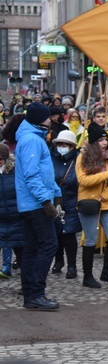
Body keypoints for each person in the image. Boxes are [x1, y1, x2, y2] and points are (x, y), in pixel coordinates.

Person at [15, 102, 62, 310]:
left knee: (32, 249)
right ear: (38, 119)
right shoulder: (32, 140)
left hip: (32, 202)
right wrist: (45, 201)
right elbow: (32, 176)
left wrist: (56, 194)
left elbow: (44, 173)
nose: (49, 120)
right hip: (36, 203)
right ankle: (36, 293)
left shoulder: (33, 137)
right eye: (46, 117)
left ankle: (30, 293)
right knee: (48, 245)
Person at [77, 123, 108, 288]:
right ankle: (87, 277)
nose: (104, 142)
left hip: (106, 203)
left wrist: (107, 194)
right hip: (89, 203)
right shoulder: (83, 157)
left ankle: (106, 272)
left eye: (105, 139)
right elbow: (83, 180)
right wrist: (105, 175)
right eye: (100, 139)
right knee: (91, 240)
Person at [50, 130, 82, 279]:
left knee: (69, 234)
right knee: (56, 234)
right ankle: (59, 260)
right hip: (55, 200)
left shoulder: (78, 159)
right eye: (60, 144)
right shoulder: (51, 158)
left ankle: (72, 265)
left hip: (71, 200)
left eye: (66, 144)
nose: (62, 147)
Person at [0, 143, 24, 280]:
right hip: (2, 217)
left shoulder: (14, 172)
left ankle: (25, 281)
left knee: (19, 248)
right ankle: (6, 267)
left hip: (15, 216)